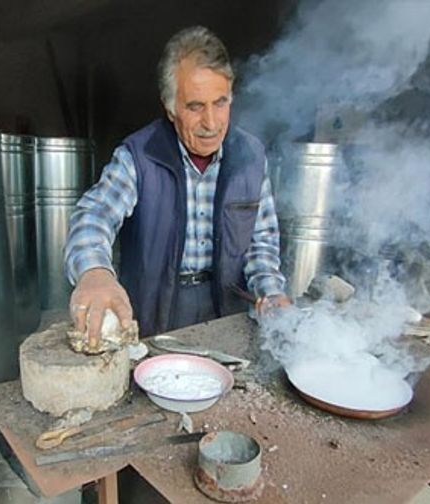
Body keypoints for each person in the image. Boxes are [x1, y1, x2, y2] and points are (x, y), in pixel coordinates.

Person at [64, 25, 289, 345]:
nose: (211, 123)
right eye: (195, 107)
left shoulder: (251, 158)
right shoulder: (139, 155)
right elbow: (94, 214)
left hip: (226, 312)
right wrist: (94, 273)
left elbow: (261, 242)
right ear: (170, 107)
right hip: (154, 313)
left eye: (221, 102)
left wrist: (271, 292)